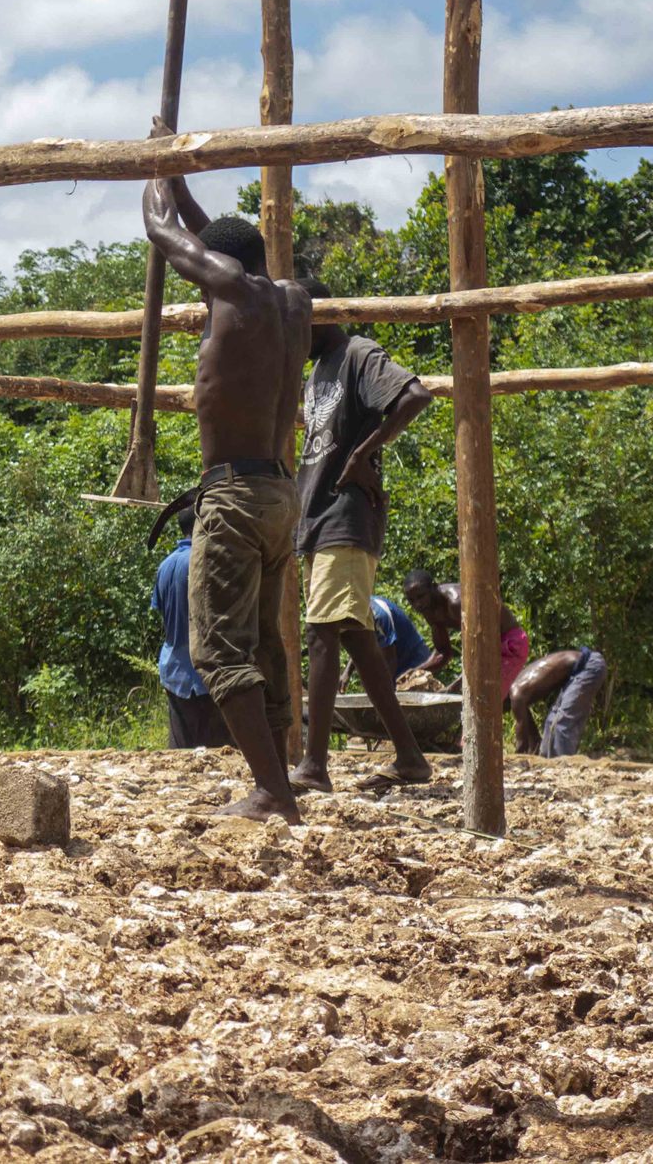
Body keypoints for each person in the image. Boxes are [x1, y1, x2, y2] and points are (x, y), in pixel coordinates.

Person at [142, 127, 311, 824]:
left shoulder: (232, 292)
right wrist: (184, 182)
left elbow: (161, 232)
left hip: (237, 495)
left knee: (218, 649)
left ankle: (272, 790)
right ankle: (281, 785)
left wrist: (155, 177)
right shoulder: (292, 302)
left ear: (222, 267)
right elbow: (215, 241)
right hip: (279, 491)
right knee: (267, 648)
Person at [288, 285, 435, 794]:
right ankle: (411, 757)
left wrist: (364, 453)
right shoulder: (315, 372)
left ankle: (314, 764)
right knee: (352, 635)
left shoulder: (357, 353)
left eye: (296, 321)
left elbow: (415, 396)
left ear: (318, 316)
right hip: (318, 516)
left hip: (346, 515)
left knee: (322, 632)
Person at [151, 506, 232, 749]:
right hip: (208, 671)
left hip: (174, 669)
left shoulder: (165, 565)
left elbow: (162, 609)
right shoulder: (208, 560)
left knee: (180, 752)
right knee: (217, 754)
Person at [403, 569, 531, 694]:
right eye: (412, 600)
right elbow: (443, 653)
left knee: (486, 699)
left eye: (421, 596)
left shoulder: (456, 603)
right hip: (487, 649)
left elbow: (483, 647)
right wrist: (415, 672)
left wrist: (457, 685)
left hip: (509, 645)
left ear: (434, 587)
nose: (417, 604)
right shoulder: (429, 610)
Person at [509, 648, 608, 757]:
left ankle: (562, 767)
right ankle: (548, 762)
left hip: (588, 665)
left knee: (562, 723)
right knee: (551, 722)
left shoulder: (516, 694)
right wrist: (534, 750)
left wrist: (518, 758)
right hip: (576, 672)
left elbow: (522, 743)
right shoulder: (518, 695)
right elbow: (531, 731)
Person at [369, 595, 432, 681]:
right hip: (394, 661)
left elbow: (391, 659)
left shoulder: (379, 615)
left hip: (414, 658)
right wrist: (347, 673)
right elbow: (359, 641)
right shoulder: (357, 612)